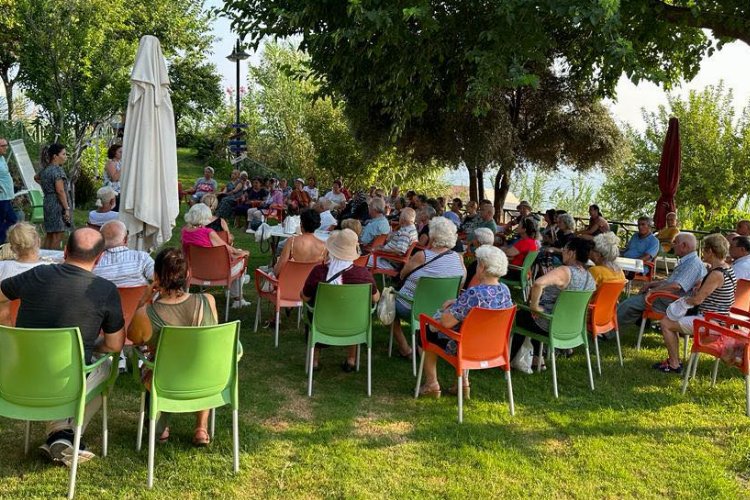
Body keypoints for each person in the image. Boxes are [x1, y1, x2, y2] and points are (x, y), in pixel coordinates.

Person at [0, 228, 125, 463]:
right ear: (99, 259)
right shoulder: (106, 290)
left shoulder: (36, 274)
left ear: (65, 251)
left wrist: (8, 330)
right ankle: (65, 434)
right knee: (108, 366)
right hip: (67, 382)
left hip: (18, 376)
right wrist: (89, 347)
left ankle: (61, 435)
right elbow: (115, 345)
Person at [127, 247, 218, 446]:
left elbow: (133, 338)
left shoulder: (147, 313)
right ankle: (201, 429)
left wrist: (142, 302)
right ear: (187, 275)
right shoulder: (207, 301)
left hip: (166, 380)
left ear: (156, 276)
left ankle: (161, 428)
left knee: (153, 362)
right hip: (206, 378)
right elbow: (211, 340)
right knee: (199, 359)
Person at [417, 246, 513, 398]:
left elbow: (446, 323)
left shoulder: (473, 293)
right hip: (494, 348)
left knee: (425, 332)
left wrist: (446, 311)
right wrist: (458, 302)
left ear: (482, 267)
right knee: (471, 330)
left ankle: (432, 384)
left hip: (466, 348)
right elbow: (483, 307)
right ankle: (462, 384)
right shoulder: (505, 290)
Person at [655, 234, 737, 373]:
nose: (702, 252)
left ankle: (674, 364)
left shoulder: (716, 274)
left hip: (710, 322)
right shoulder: (727, 268)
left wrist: (682, 301)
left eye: (704, 249)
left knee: (666, 323)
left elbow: (697, 300)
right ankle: (674, 360)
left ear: (710, 251)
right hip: (721, 319)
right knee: (669, 321)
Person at [510, 238, 596, 368]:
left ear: (572, 253)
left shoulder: (565, 271)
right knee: (532, 316)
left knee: (519, 317)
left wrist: (534, 307)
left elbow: (538, 284)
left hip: (550, 325)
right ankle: (538, 359)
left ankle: (506, 359)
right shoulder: (590, 277)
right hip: (573, 328)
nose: (562, 252)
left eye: (564, 250)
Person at [301, 228, 379, 371]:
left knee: (314, 309)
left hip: (323, 322)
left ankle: (314, 361)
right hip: (355, 325)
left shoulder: (319, 272)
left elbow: (305, 297)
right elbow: (375, 298)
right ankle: (351, 359)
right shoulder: (364, 275)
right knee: (355, 312)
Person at [391, 217, 466, 358]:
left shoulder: (422, 256)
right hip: (442, 309)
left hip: (413, 307)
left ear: (433, 235)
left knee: (388, 305)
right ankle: (421, 340)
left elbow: (402, 275)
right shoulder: (458, 258)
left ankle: (405, 348)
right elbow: (461, 283)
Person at [616, 233, 707, 327]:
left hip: (671, 303)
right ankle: (640, 321)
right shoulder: (689, 261)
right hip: (668, 298)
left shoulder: (692, 265)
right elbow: (672, 282)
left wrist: (653, 291)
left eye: (675, 242)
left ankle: (607, 331)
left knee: (629, 304)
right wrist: (651, 284)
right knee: (634, 303)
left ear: (684, 246)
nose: (673, 245)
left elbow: (676, 286)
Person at [182, 204, 250, 308]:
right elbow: (229, 250)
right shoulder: (208, 233)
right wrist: (243, 253)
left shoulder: (184, 231)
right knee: (241, 259)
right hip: (218, 272)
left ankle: (233, 290)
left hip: (194, 271)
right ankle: (237, 299)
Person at [94, 220, 154, 287]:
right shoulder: (142, 257)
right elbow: (159, 278)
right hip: (140, 296)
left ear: (100, 240)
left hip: (104, 297)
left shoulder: (92, 262)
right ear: (125, 239)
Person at [274, 209, 327, 276]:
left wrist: (274, 268)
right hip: (311, 284)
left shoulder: (291, 241)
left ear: (301, 224)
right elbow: (323, 270)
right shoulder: (324, 246)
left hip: (290, 282)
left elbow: (280, 268)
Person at [39, 143, 72, 250]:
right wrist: (66, 208)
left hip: (48, 201)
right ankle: (50, 261)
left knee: (49, 234)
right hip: (57, 204)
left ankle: (43, 258)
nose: (66, 157)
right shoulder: (57, 170)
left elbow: (36, 177)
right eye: (63, 154)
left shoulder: (46, 169)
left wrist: (46, 187)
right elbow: (60, 191)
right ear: (55, 156)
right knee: (57, 236)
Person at [0, 137, 17, 243]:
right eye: (3, 146)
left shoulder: (2, 158)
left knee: (12, 219)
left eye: (7, 145)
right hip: (1, 198)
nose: (6, 147)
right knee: (9, 220)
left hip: (6, 196)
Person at [103, 144, 122, 210]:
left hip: (119, 192)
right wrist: (123, 168)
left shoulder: (120, 162)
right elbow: (114, 178)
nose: (122, 154)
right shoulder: (111, 163)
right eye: (120, 152)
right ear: (114, 152)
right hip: (112, 193)